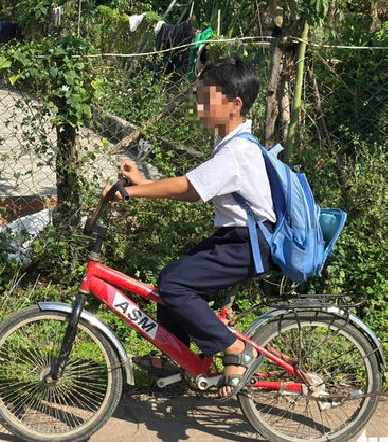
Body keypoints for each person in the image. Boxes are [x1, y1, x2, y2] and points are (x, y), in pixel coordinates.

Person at [103, 57, 276, 399]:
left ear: (234, 103)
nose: (199, 104)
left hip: (248, 242)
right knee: (172, 277)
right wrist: (143, 182)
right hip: (237, 238)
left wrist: (132, 191)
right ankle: (177, 354)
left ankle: (234, 350)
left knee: (174, 284)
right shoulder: (229, 144)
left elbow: (188, 188)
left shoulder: (238, 151)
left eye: (205, 97)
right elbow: (196, 191)